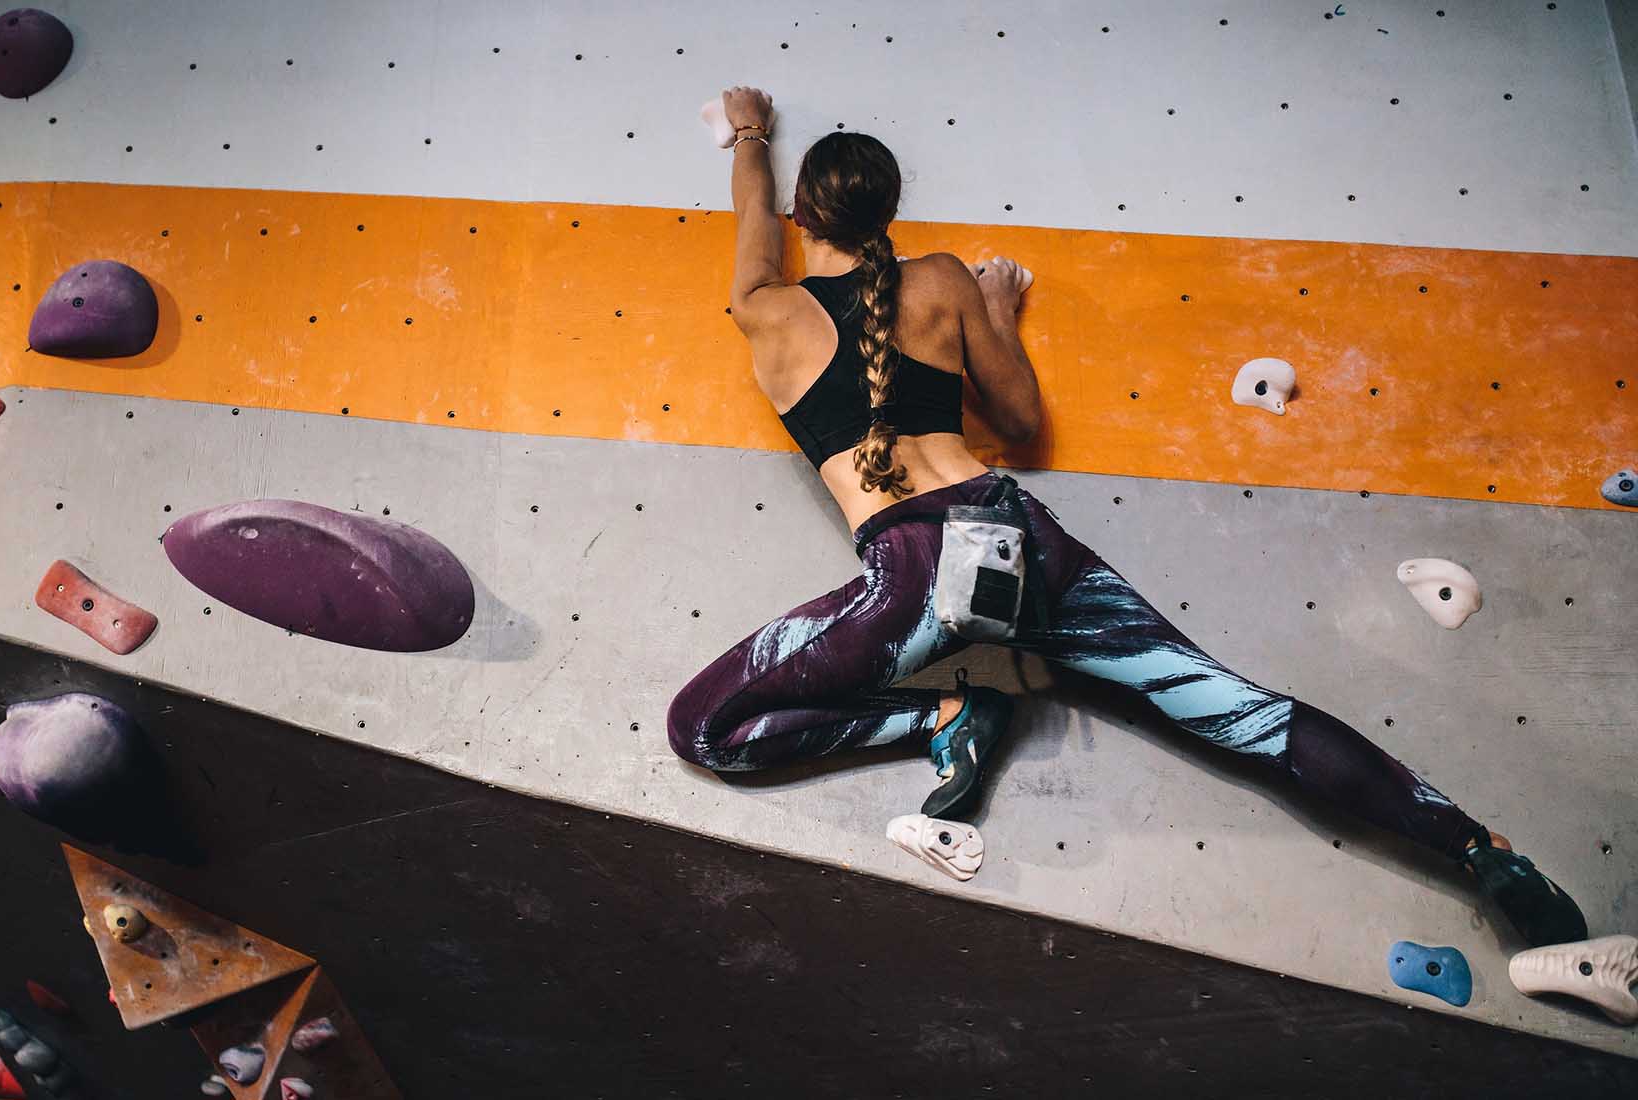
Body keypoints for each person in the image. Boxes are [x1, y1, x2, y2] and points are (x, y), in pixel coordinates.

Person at [665, 86, 1588, 948]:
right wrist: (994, 311)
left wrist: (749, 133)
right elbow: (1021, 425)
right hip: (1020, 534)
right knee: (1235, 710)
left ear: (801, 217)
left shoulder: (764, 310)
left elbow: (753, 223)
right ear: (890, 216)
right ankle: (1483, 851)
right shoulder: (945, 280)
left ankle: (945, 714)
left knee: (706, 730)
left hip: (917, 577)